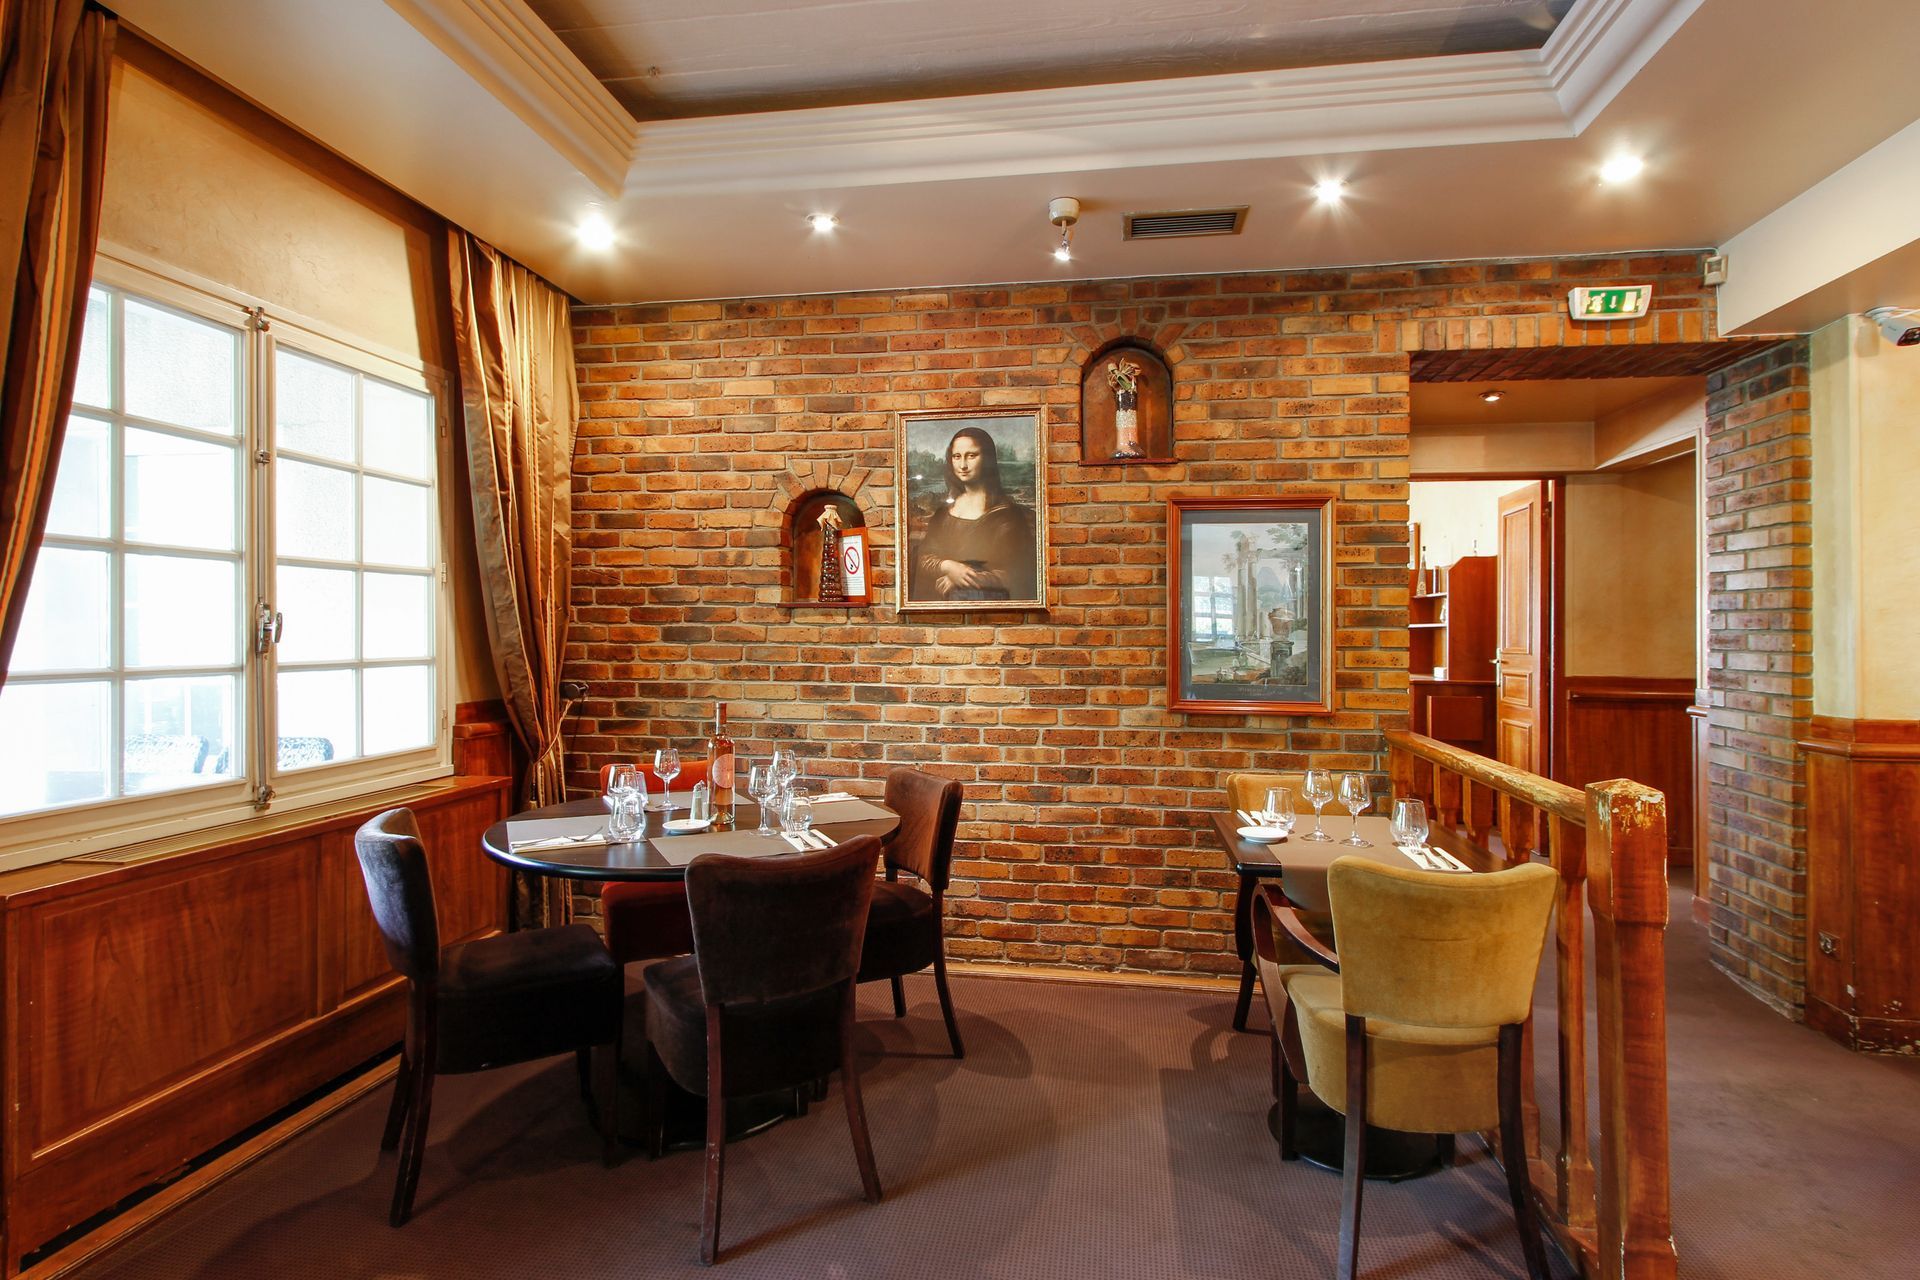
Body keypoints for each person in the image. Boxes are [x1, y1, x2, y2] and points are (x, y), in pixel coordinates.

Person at [910, 426, 1038, 602]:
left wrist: (964, 579)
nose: (963, 465)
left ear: (987, 459)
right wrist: (948, 566)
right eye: (957, 457)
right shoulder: (943, 514)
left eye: (971, 456)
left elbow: (1020, 573)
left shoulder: (1008, 515)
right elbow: (923, 558)